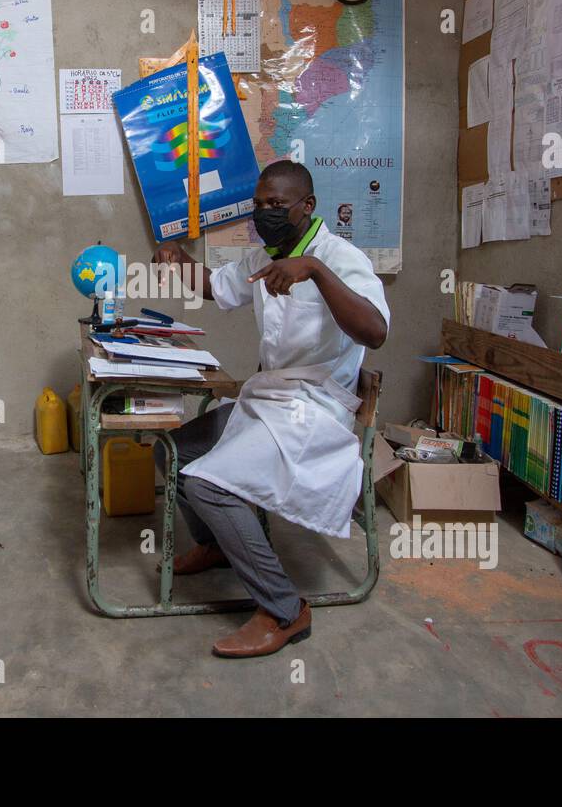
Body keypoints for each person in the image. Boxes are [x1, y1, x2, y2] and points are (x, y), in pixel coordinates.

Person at [151, 160, 389, 658]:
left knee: (206, 484)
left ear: (307, 206)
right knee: (173, 451)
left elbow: (375, 332)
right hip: (268, 398)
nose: (265, 213)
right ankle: (218, 545)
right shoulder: (264, 254)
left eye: (277, 205)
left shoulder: (339, 257)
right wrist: (177, 258)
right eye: (259, 205)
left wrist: (316, 271)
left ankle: (284, 610)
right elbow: (217, 287)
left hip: (315, 409)